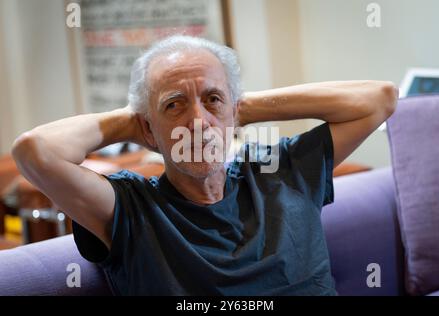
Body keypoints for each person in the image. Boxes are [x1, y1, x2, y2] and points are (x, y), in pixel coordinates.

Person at [12, 35, 398, 295]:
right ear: (147, 129)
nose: (197, 123)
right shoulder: (129, 207)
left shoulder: (281, 169)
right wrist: (138, 120)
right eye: (174, 105)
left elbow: (379, 98)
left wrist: (237, 106)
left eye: (213, 100)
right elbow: (35, 150)